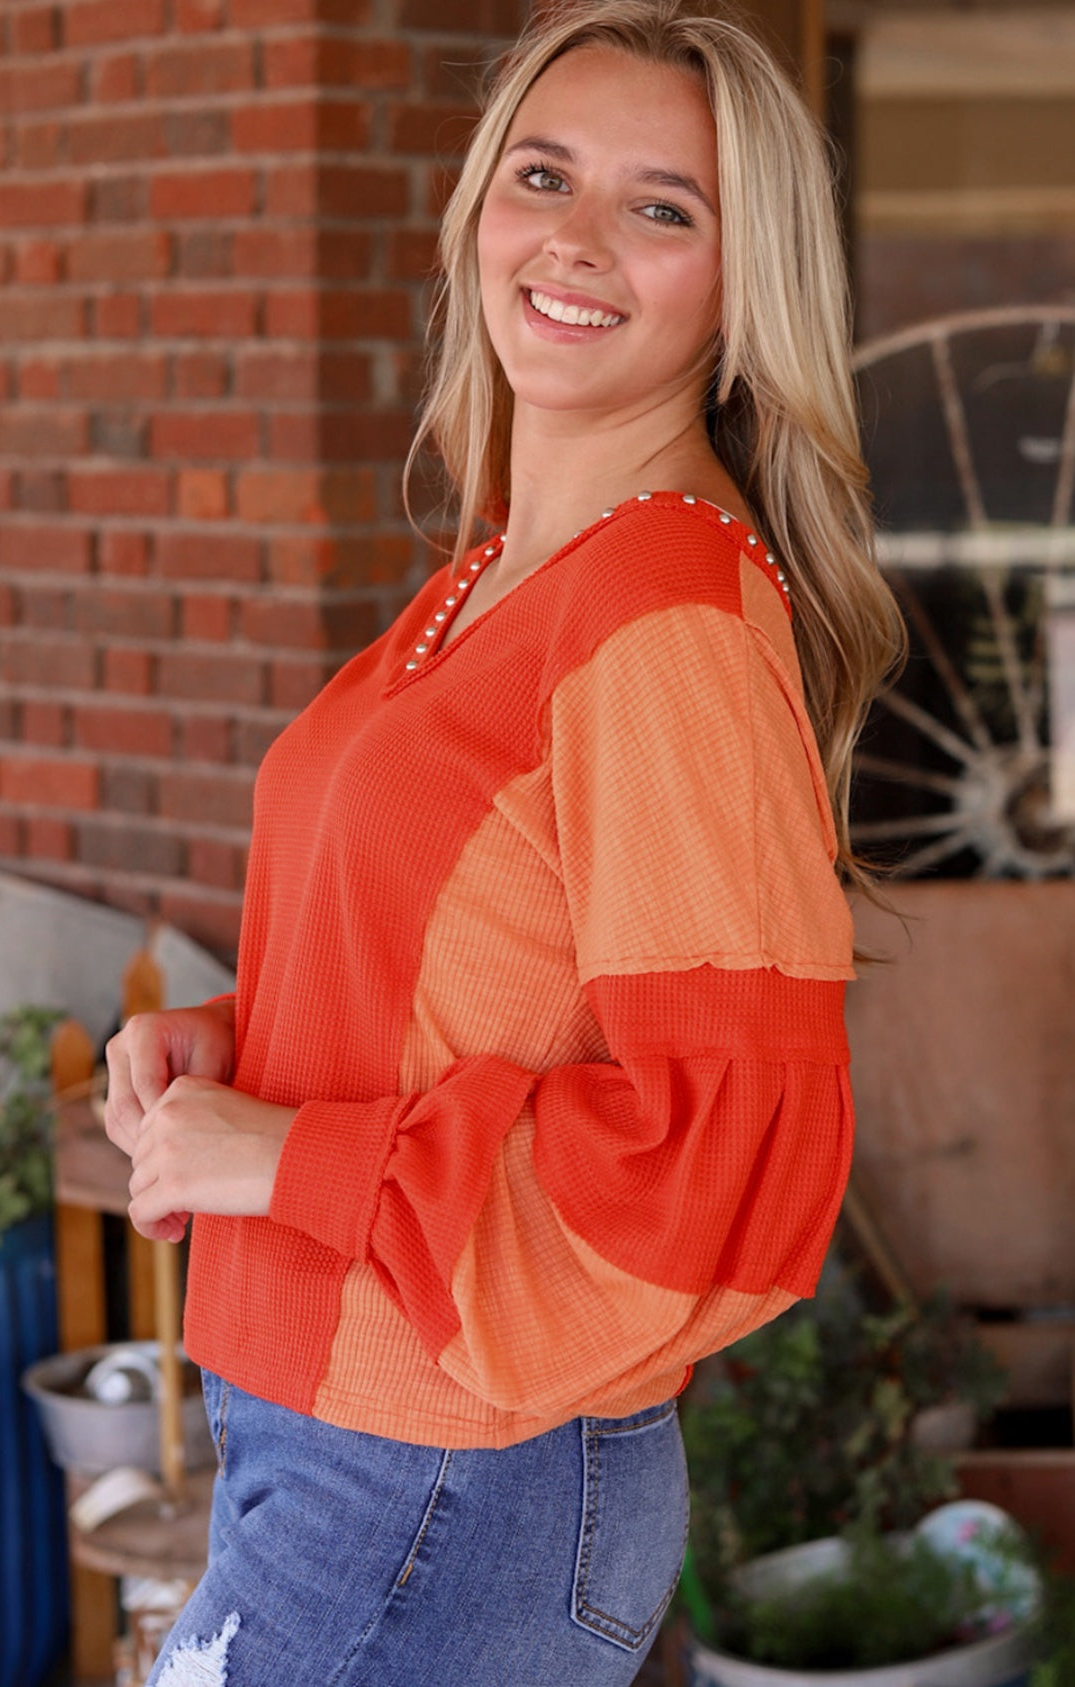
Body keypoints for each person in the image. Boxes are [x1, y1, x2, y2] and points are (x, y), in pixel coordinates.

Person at [104, 2, 903, 1682]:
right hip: (337, 1444)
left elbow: (717, 1145)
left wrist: (289, 1159)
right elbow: (475, 971)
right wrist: (237, 1055)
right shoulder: (494, 574)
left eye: (660, 206)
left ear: (736, 286)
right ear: (479, 205)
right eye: (543, 173)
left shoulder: (657, 612)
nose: (577, 236)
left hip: (444, 1473)